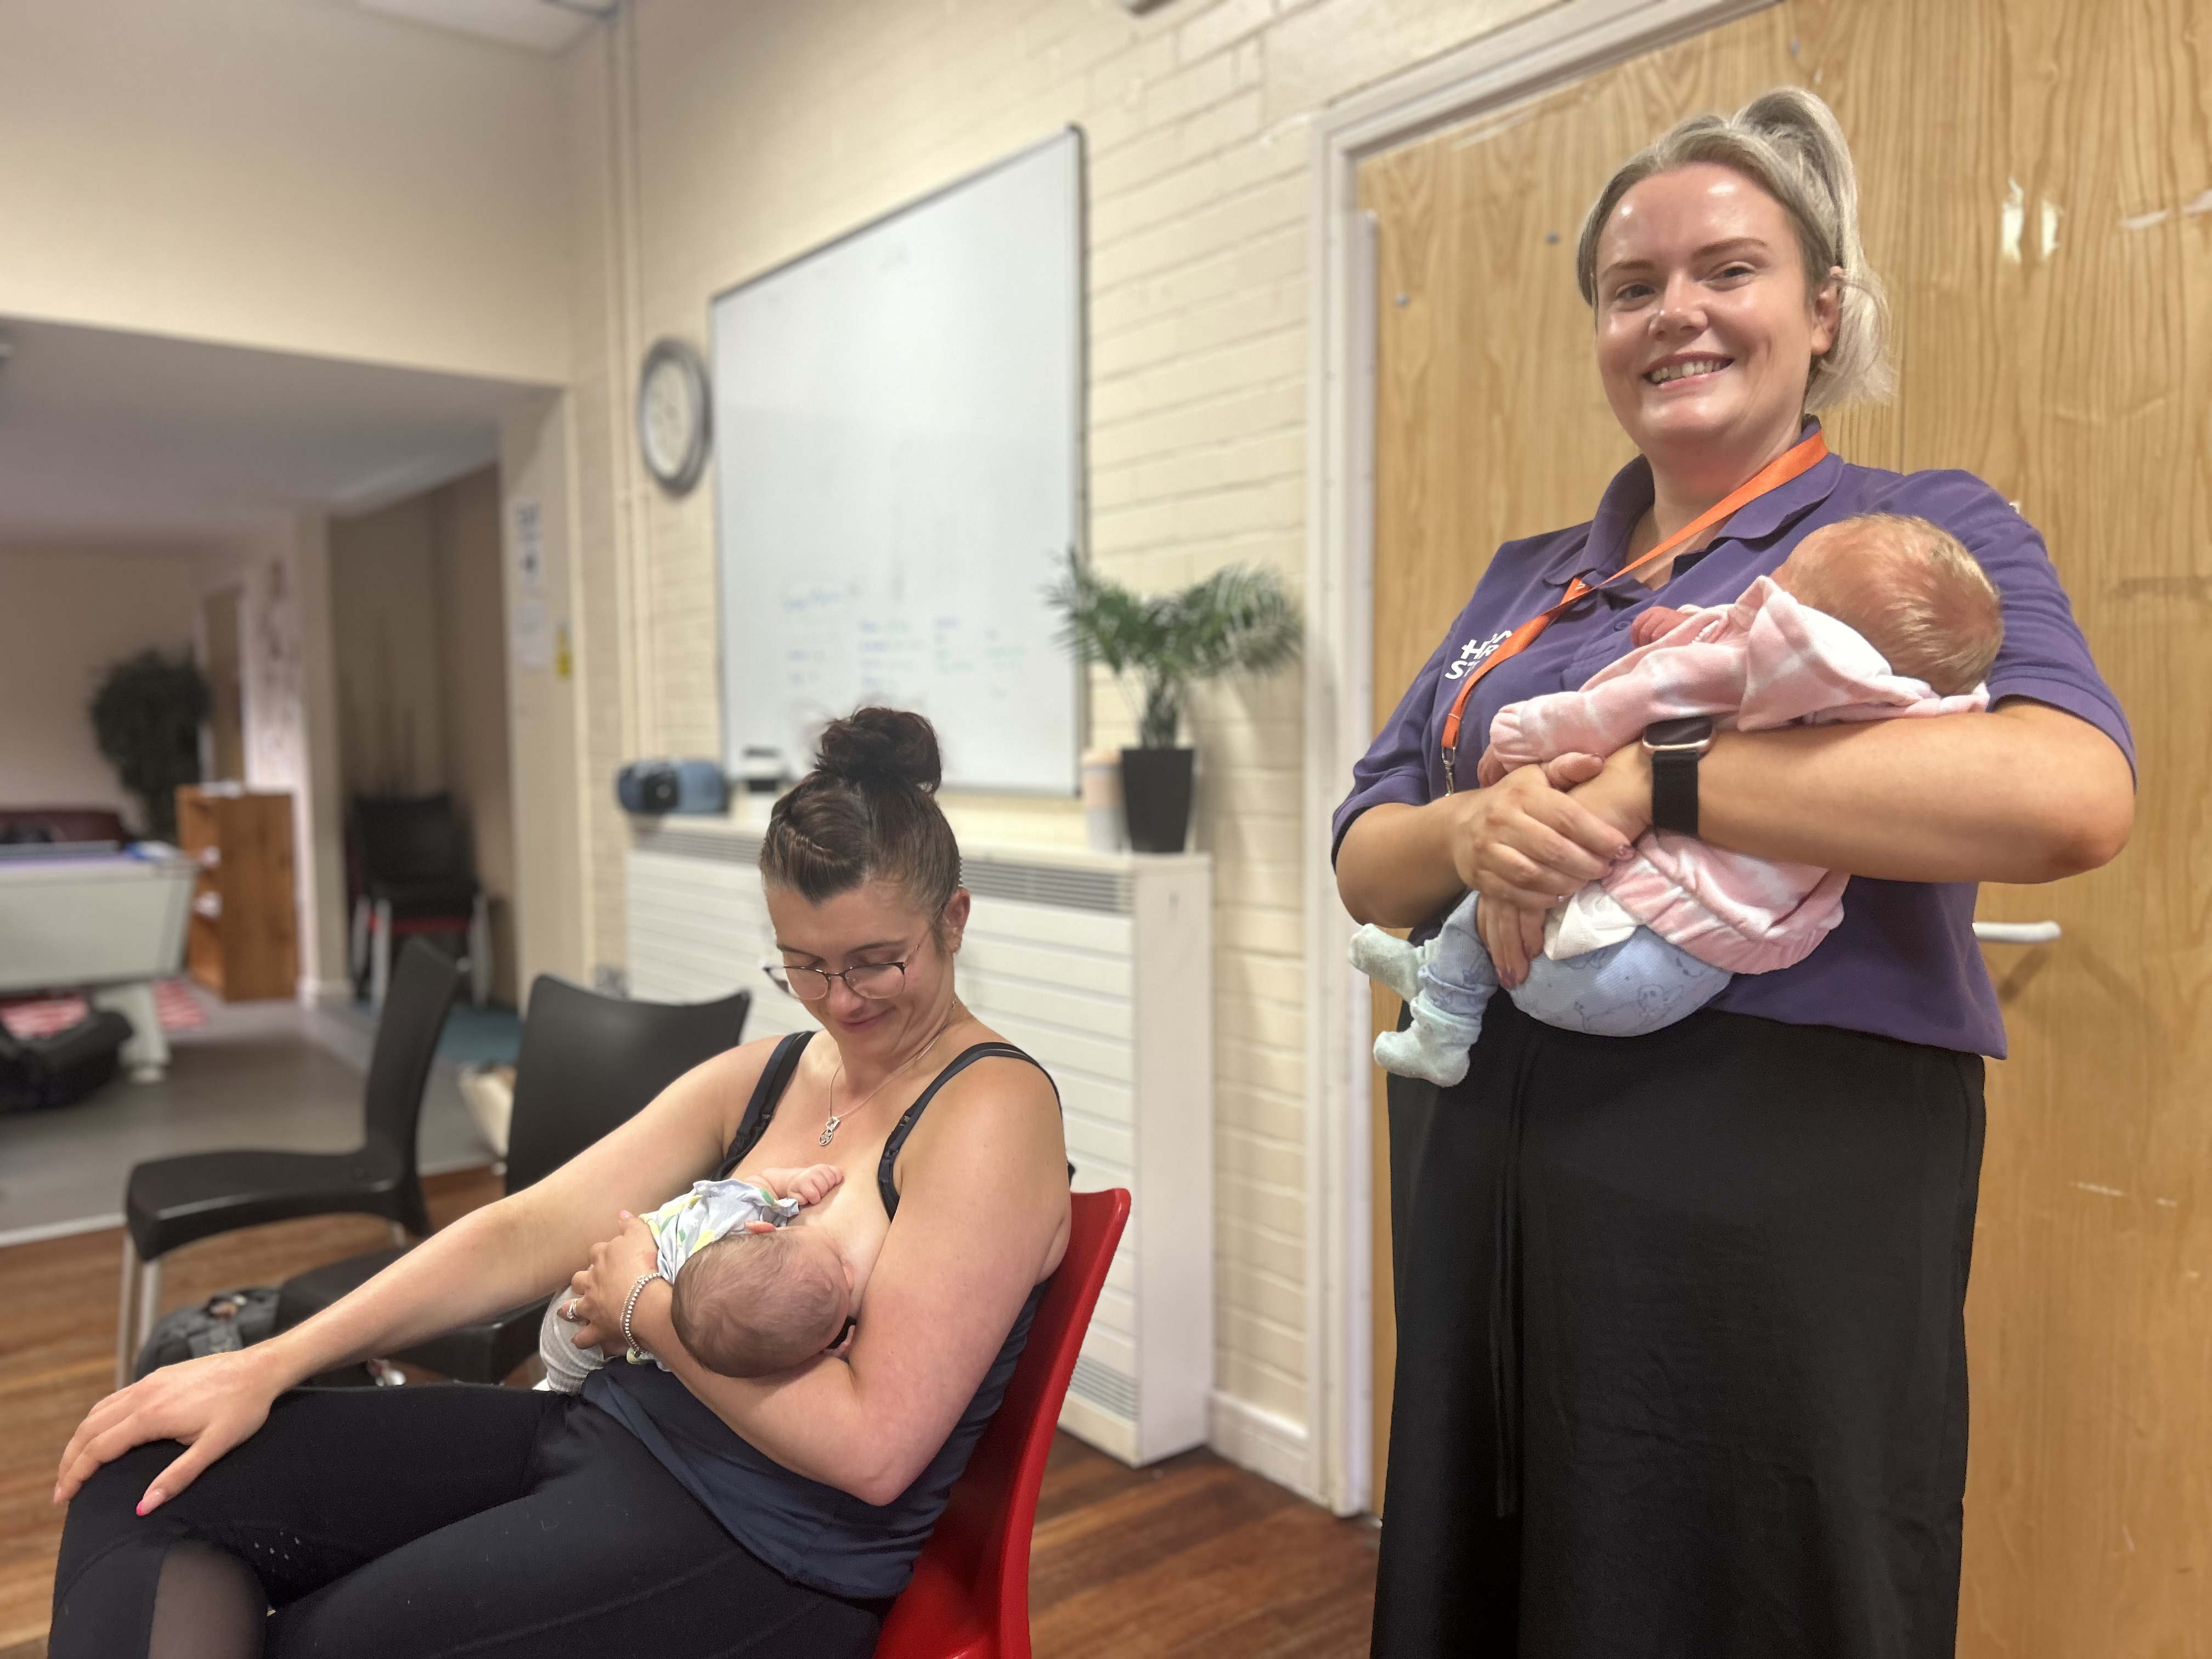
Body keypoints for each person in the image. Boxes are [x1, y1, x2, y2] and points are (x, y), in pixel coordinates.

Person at [1335, 89, 2132, 1658]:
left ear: (1822, 310)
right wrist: (1473, 834)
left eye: (1730, 270)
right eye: (1634, 289)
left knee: (1762, 1592)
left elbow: (2068, 793)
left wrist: (1671, 778)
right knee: (1501, 1588)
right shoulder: (1525, 583)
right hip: (1489, 1201)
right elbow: (1371, 852)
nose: (1676, 315)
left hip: (1773, 1211)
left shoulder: (1918, 534)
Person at [49, 706, 1071, 1659]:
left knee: (316, 1639)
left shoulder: (991, 1113)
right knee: (139, 1475)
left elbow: (875, 1450)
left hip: (765, 1540)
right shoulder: (763, 1075)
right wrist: (270, 1362)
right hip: (606, 1432)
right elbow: (525, 1228)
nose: (839, 1000)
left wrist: (647, 1307)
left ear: (954, 918)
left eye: (874, 962)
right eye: (803, 964)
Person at [1356, 512, 2004, 1085]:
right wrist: (1477, 828)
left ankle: (1442, 1000)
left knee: (1507, 892)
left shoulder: (1776, 649)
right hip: (1695, 961)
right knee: (1514, 859)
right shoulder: (1897, 702)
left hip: (1661, 1017)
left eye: (1781, 581)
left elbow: (1628, 701)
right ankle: (1439, 980)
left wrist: (1529, 742)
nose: (1763, 587)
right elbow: (1363, 859)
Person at [536, 1161, 861, 1393]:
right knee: (562, 1398)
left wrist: (814, 1359)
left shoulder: (727, 1304)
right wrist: (793, 1181)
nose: (850, 1277)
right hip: (576, 1323)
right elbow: (764, 1180)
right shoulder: (734, 1212)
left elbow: (766, 1348)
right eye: (837, 1262)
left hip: (597, 1318)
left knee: (565, 1399)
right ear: (761, 1226)